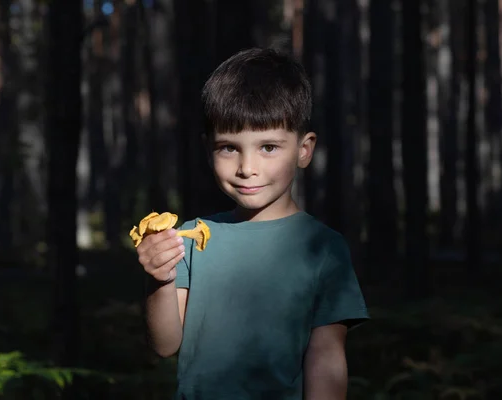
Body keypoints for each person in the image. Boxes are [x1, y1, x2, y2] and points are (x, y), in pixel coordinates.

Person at [137, 47, 369, 399]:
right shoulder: (189, 237)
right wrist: (159, 279)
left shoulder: (324, 248)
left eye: (269, 148)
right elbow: (166, 345)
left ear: (304, 150)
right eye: (229, 148)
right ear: (208, 148)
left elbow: (326, 357)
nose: (247, 167)